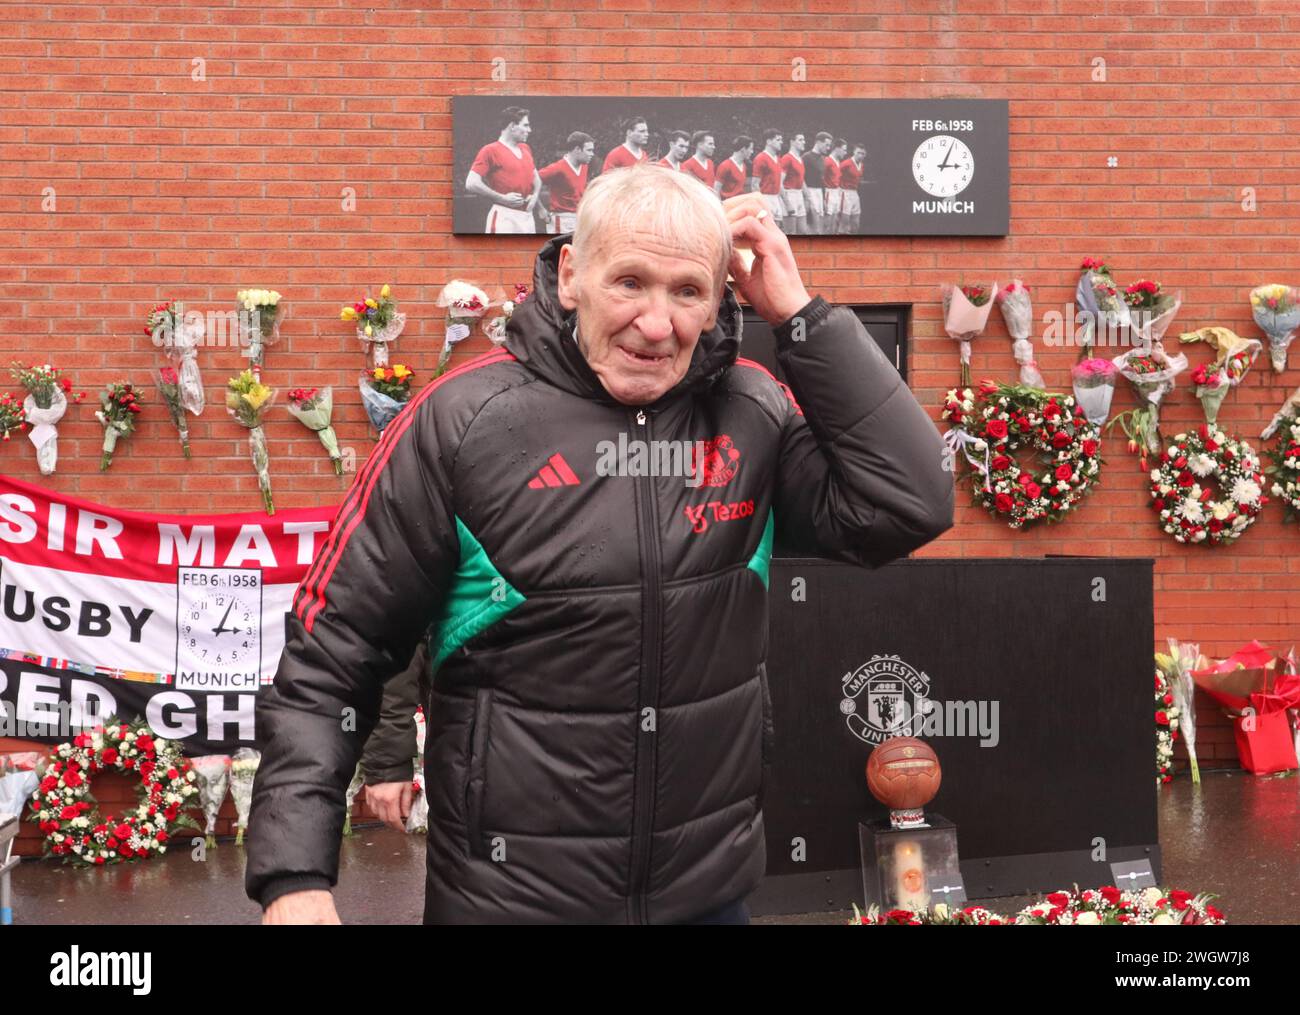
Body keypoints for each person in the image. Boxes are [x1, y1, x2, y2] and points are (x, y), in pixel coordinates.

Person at [246, 163, 954, 925]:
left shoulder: (750, 411)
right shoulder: (462, 421)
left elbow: (906, 502)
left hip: (706, 897)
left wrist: (801, 315)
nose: (658, 323)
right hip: (511, 902)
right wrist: (294, 877)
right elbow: (332, 653)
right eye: (631, 283)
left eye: (689, 291)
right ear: (573, 275)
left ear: (723, 297)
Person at [465, 106, 541, 234]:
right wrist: (502, 198)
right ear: (512, 126)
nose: (530, 130)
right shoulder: (490, 150)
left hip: (527, 217)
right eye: (526, 125)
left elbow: (536, 179)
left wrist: (535, 196)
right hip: (504, 217)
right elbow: (471, 183)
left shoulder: (526, 148)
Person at [539, 132, 594, 235]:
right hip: (562, 220)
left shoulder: (584, 166)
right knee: (559, 251)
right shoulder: (558, 168)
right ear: (577, 149)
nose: (592, 154)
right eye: (589, 150)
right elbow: (532, 181)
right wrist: (540, 209)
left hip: (580, 218)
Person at [752, 128, 786, 226]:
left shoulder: (778, 159)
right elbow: (755, 184)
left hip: (776, 198)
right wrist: (761, 204)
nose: (781, 142)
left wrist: (786, 202)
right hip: (765, 197)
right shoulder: (761, 158)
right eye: (778, 140)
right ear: (768, 141)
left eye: (781, 140)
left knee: (778, 228)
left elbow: (779, 183)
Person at [802, 131, 833, 233]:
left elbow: (821, 180)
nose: (828, 148)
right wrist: (807, 197)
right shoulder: (806, 157)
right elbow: (801, 178)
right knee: (811, 226)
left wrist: (823, 200)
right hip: (809, 193)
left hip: (819, 194)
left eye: (829, 145)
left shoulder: (823, 159)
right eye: (826, 145)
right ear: (818, 142)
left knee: (820, 227)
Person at [779, 133, 807, 235]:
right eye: (800, 140)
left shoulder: (800, 159)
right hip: (789, 194)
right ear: (792, 142)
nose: (803, 142)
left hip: (799, 195)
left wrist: (807, 197)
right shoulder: (787, 158)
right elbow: (779, 182)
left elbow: (801, 180)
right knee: (791, 232)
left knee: (803, 231)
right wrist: (787, 203)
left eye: (804, 140)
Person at [839, 143, 866, 233]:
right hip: (845, 192)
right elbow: (835, 174)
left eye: (862, 153)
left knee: (856, 222)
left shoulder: (861, 165)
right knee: (844, 222)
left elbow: (858, 178)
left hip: (855, 193)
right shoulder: (846, 163)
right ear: (854, 152)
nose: (860, 155)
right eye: (858, 153)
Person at [715, 135, 752, 200]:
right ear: (743, 149)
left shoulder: (744, 166)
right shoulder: (725, 166)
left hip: (740, 203)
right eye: (751, 149)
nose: (752, 152)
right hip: (728, 203)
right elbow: (716, 190)